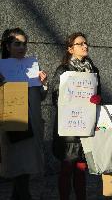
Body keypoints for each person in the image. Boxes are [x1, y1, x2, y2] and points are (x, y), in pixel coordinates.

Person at [51, 32, 100, 200]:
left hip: (86, 128)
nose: (85, 46)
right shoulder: (63, 71)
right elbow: (55, 98)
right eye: (80, 44)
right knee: (66, 170)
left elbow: (98, 96)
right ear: (70, 49)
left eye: (86, 43)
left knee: (81, 170)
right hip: (69, 131)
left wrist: (96, 99)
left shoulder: (93, 70)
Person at [0, 28, 47, 200]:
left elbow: (40, 97)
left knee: (25, 170)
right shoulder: (2, 68)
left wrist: (43, 84)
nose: (21, 47)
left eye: (24, 44)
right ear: (7, 46)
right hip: (13, 123)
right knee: (18, 167)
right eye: (17, 43)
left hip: (32, 124)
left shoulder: (32, 66)